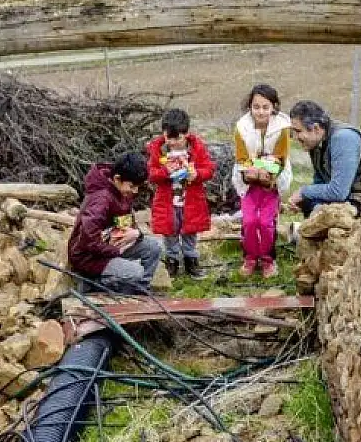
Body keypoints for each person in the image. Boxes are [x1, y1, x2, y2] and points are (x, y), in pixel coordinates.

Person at [67, 152, 163, 292]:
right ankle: (92, 284)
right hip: (89, 257)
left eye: (137, 186)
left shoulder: (122, 192)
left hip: (110, 245)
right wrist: (116, 250)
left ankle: (139, 289)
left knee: (154, 247)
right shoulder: (101, 200)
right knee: (135, 272)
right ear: (117, 179)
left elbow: (127, 220)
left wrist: (136, 234)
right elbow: (88, 241)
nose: (135, 191)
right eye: (132, 186)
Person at [232, 84, 293, 278]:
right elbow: (241, 157)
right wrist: (252, 168)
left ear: (273, 107)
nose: (260, 112)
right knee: (250, 221)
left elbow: (281, 156)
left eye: (265, 107)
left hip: (271, 181)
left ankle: (267, 258)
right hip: (248, 180)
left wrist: (269, 171)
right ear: (250, 107)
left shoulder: (282, 128)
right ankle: (250, 257)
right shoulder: (242, 128)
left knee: (266, 222)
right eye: (256, 107)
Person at [146, 108, 215, 278]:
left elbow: (209, 169)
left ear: (186, 134)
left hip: (191, 199)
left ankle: (191, 259)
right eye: (169, 137)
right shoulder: (158, 149)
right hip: (167, 201)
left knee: (190, 230)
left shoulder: (197, 148)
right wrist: (165, 171)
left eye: (177, 138)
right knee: (170, 231)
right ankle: (172, 260)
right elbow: (150, 174)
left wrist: (196, 174)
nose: (173, 142)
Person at [287, 100, 361, 217]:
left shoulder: (344, 138)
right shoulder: (316, 143)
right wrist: (303, 199)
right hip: (343, 199)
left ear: (316, 128)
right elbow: (320, 182)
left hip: (360, 200)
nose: (296, 137)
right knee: (307, 203)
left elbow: (338, 192)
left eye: (298, 131)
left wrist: (304, 192)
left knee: (319, 211)